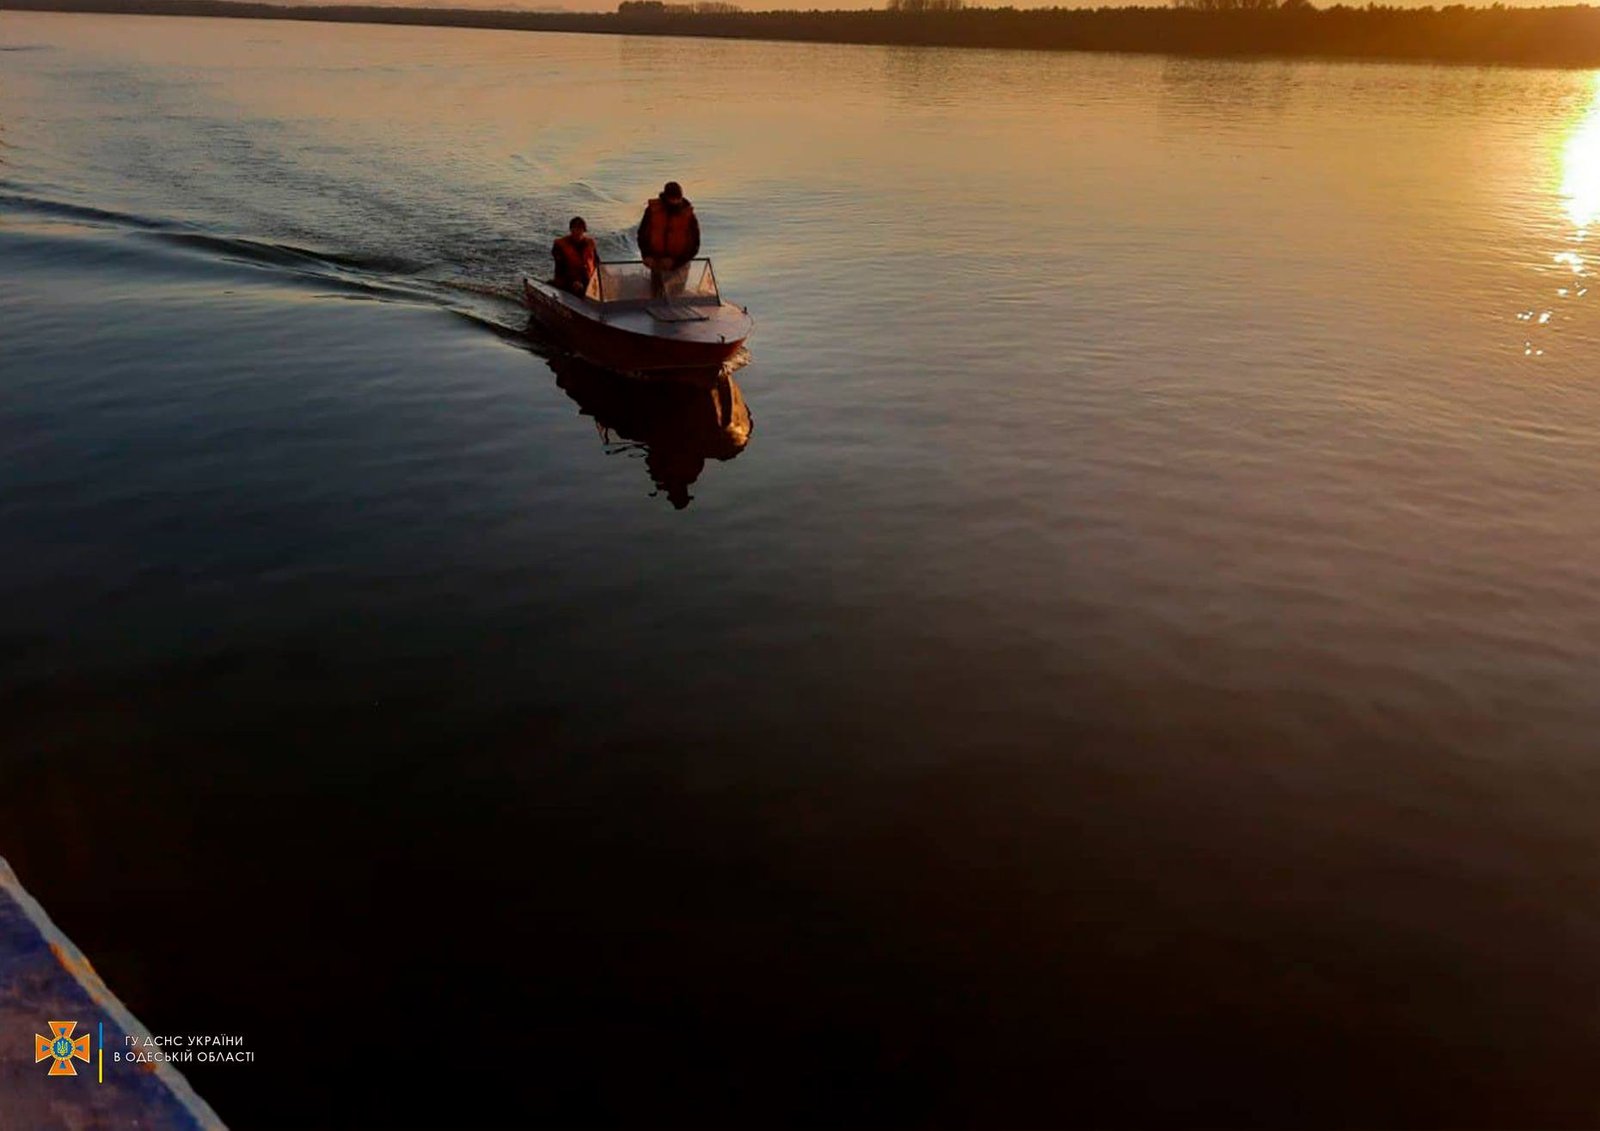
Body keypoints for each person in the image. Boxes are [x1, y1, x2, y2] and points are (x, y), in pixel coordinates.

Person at [636, 182, 701, 297]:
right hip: (656, 263)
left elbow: (695, 246)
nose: (675, 203)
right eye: (672, 200)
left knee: (675, 297)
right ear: (665, 198)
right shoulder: (652, 211)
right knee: (656, 297)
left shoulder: (689, 216)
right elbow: (642, 235)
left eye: (678, 200)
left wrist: (675, 262)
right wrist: (646, 255)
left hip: (680, 264)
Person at [551, 216, 597, 296]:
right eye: (574, 228)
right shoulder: (559, 245)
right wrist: (574, 281)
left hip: (587, 280)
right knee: (577, 289)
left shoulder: (590, 243)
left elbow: (597, 263)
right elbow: (560, 268)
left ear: (584, 230)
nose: (577, 232)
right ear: (570, 229)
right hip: (567, 280)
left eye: (580, 229)